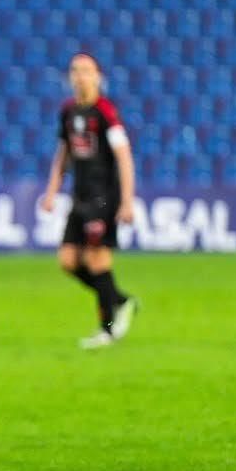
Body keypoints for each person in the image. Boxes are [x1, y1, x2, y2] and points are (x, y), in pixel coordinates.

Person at [41, 53, 138, 349]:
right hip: (79, 197)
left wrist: (127, 201)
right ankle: (120, 300)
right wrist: (52, 190)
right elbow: (63, 154)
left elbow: (124, 157)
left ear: (97, 76)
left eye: (86, 70)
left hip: (104, 198)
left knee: (97, 261)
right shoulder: (68, 112)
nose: (80, 76)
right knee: (68, 261)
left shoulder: (106, 113)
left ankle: (107, 328)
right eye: (75, 70)